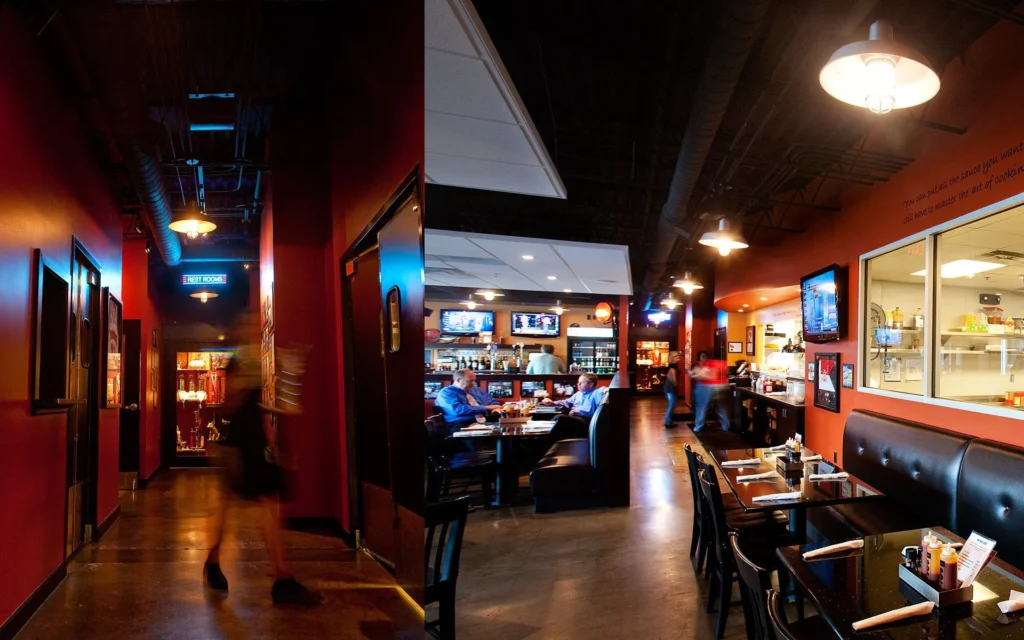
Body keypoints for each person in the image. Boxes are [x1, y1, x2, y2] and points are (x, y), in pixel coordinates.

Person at [205, 312, 320, 605]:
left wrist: (281, 410)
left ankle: (222, 563)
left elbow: (260, 407)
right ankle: (274, 577)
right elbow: (230, 407)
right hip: (240, 447)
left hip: (254, 444)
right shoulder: (238, 364)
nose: (253, 333)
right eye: (247, 327)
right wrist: (247, 386)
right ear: (238, 334)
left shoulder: (257, 364)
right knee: (241, 507)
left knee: (255, 506)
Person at [434, 369, 502, 434]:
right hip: (460, 423)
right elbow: (458, 410)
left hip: (484, 420)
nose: (473, 383)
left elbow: (493, 402)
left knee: (506, 433)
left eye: (474, 380)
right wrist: (486, 408)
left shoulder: (477, 390)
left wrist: (496, 408)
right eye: (470, 381)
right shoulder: (446, 392)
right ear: (458, 380)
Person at [541, 373, 607, 439]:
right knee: (556, 421)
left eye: (581, 382)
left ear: (591, 384)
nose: (578, 384)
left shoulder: (596, 393)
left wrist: (606, 389)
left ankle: (544, 441)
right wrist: (552, 402)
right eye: (578, 382)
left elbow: (603, 390)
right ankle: (542, 437)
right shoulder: (578, 394)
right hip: (574, 419)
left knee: (560, 418)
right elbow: (566, 402)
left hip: (585, 422)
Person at [691, 351, 731, 433]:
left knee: (702, 408)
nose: (704, 358)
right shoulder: (721, 363)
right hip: (722, 386)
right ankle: (726, 426)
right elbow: (726, 374)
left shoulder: (707, 365)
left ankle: (699, 427)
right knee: (722, 408)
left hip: (707, 387)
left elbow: (708, 376)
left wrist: (693, 375)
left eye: (705, 356)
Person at [664, 352, 681, 428]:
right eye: (675, 356)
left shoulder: (672, 366)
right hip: (670, 388)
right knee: (672, 405)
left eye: (678, 355)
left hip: (668, 387)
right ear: (672, 358)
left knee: (671, 404)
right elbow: (673, 378)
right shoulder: (673, 367)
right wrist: (676, 384)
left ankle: (669, 421)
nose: (678, 357)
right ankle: (668, 422)